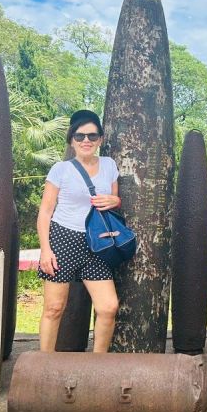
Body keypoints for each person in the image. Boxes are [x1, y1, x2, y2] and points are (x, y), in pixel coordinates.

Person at [36, 109, 122, 353]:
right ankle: (45, 364)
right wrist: (45, 250)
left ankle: (97, 366)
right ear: (71, 139)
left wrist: (114, 201)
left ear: (100, 140)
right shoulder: (60, 170)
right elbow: (45, 212)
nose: (86, 141)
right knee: (54, 308)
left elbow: (116, 198)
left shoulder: (109, 165)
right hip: (63, 238)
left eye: (92, 136)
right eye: (80, 136)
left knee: (108, 307)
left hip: (97, 242)